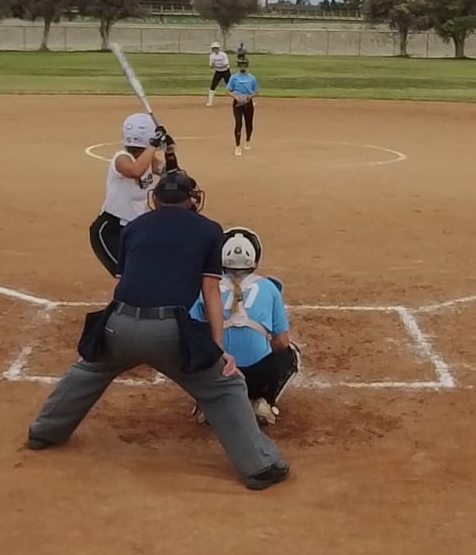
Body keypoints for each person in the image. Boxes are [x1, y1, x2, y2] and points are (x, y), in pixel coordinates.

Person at [26, 169, 290, 491]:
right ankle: (260, 466)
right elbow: (210, 293)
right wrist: (218, 351)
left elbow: (122, 285)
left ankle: (43, 432)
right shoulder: (209, 230)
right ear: (192, 199)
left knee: (87, 370)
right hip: (168, 333)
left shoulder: (134, 227)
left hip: (118, 325)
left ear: (156, 198)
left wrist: (108, 333)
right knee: (226, 386)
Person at [189, 227, 300, 426]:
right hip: (257, 376)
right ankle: (263, 401)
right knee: (291, 354)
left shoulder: (204, 286)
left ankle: (208, 402)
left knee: (191, 349)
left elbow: (191, 333)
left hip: (219, 373)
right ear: (254, 259)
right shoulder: (269, 287)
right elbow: (281, 342)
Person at [90, 114, 167, 276]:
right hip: (111, 230)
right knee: (128, 276)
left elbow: (168, 171)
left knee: (142, 274)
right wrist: (153, 144)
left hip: (135, 229)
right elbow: (135, 170)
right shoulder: (122, 158)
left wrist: (170, 150)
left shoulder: (147, 159)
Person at [229, 57, 259, 156]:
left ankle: (248, 140)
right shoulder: (234, 77)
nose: (242, 67)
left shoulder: (252, 78)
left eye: (244, 66)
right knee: (238, 123)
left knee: (249, 123)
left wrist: (249, 97)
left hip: (248, 102)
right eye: (241, 66)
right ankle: (237, 146)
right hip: (237, 103)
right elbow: (229, 90)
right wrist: (236, 97)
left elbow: (256, 92)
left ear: (247, 66)